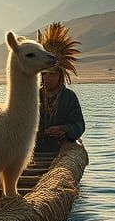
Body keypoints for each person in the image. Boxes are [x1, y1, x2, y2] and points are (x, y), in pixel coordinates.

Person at [36, 21, 85, 152]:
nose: (47, 78)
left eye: (52, 74)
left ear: (60, 76)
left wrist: (64, 129)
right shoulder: (34, 97)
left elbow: (79, 125)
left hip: (60, 148)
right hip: (35, 149)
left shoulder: (68, 97)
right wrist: (40, 132)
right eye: (44, 74)